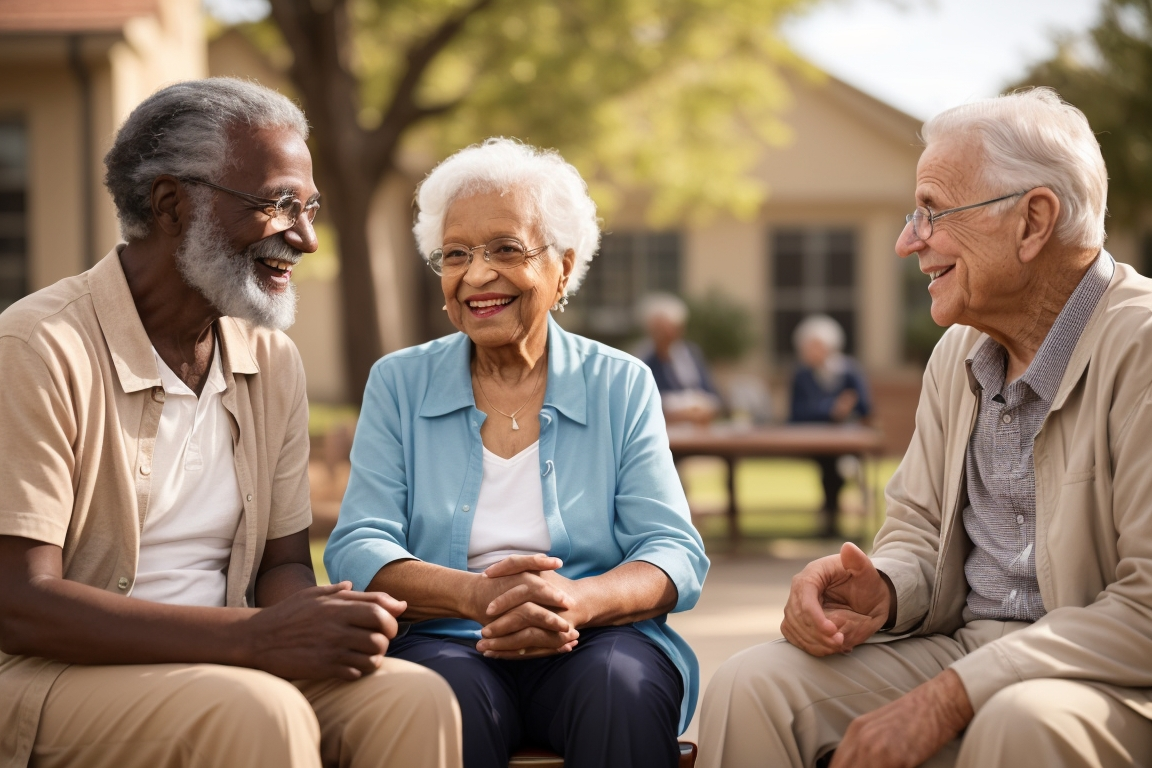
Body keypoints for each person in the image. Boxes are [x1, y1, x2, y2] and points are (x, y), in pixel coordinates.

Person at [0, 79, 461, 768]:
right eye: (278, 205)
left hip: (231, 659)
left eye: (309, 208)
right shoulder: (39, 348)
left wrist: (318, 623)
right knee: (258, 711)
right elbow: (19, 602)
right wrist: (252, 640)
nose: (304, 238)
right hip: (52, 676)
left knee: (414, 698)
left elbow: (280, 563)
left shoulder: (270, 361)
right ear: (171, 206)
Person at [699, 87, 1152, 768]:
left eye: (933, 213)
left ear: (1033, 222)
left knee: (1020, 721)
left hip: (1111, 673)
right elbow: (916, 530)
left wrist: (952, 695)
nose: (908, 241)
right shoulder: (959, 352)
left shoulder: (1141, 343)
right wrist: (881, 589)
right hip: (971, 650)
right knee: (752, 685)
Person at [325, 138, 709, 768]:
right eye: (455, 255)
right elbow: (359, 545)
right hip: (446, 639)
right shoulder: (399, 382)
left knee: (622, 691)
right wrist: (478, 598)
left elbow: (673, 552)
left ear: (562, 266)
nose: (476, 276)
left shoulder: (621, 381)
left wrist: (575, 601)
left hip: (596, 639)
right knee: (440, 700)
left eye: (506, 249)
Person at [788, 314, 871, 537]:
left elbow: (864, 407)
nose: (809, 352)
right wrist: (832, 410)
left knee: (836, 465)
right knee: (830, 465)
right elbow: (796, 414)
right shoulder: (802, 375)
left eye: (815, 346)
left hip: (847, 441)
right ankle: (830, 517)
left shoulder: (849, 371)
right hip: (816, 443)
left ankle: (830, 516)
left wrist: (838, 411)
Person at [638, 292, 723, 425]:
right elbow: (643, 402)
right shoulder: (643, 359)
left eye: (673, 329)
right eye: (662, 330)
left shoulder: (691, 354)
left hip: (698, 428)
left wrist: (703, 407)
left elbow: (712, 394)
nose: (668, 335)